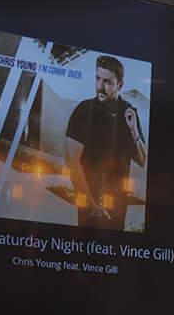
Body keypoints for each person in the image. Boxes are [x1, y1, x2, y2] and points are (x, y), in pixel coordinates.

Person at [61, 56, 145, 229]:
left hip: (118, 204)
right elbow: (71, 161)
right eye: (97, 78)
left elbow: (142, 160)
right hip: (89, 200)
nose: (100, 86)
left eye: (107, 81)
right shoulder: (84, 111)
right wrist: (92, 207)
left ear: (120, 85)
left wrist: (133, 130)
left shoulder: (129, 113)